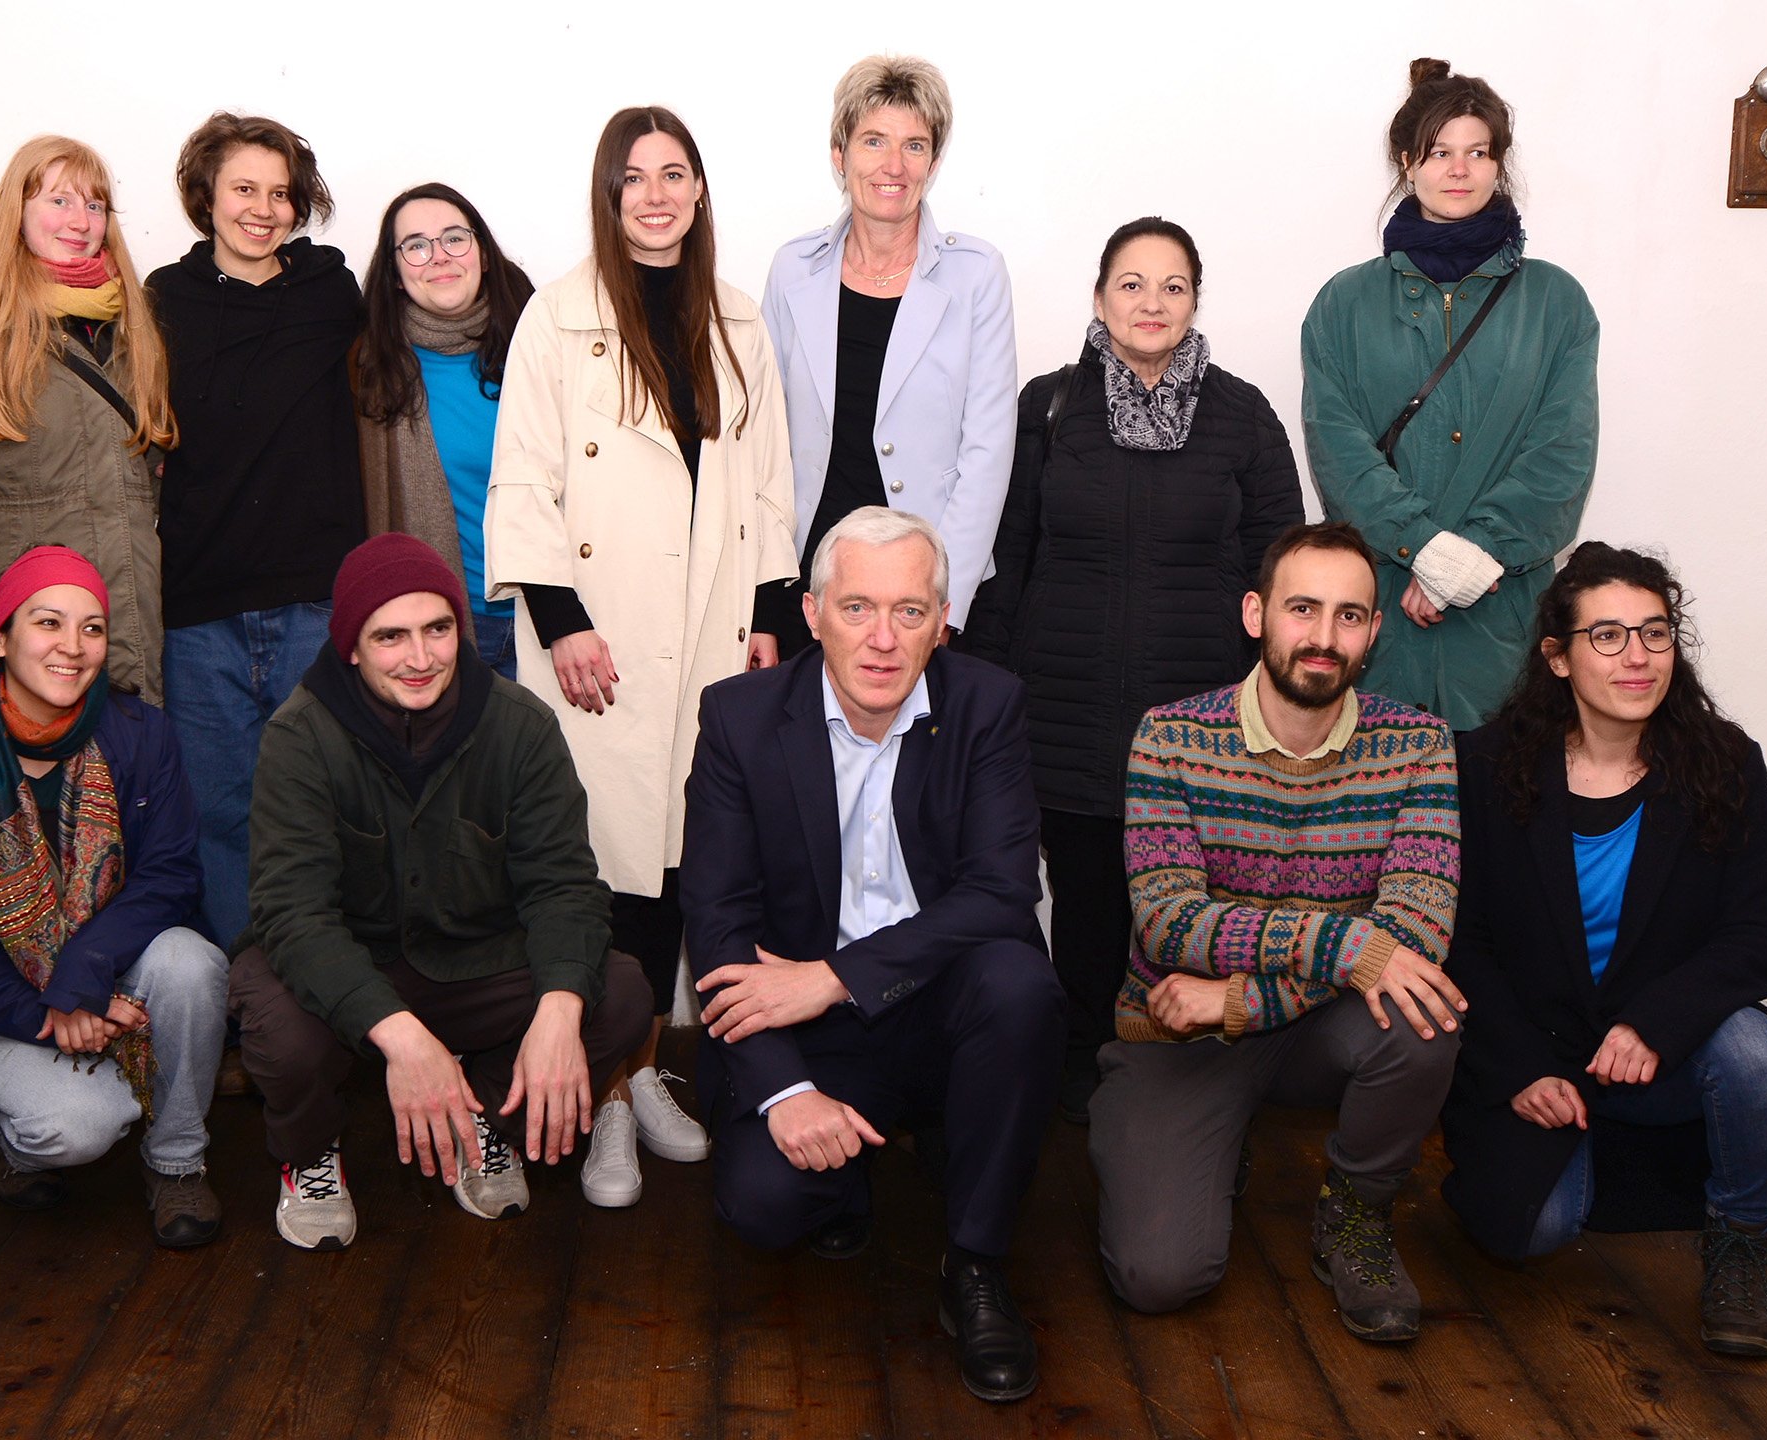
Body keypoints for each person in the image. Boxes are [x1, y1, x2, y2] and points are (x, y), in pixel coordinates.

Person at [681, 508, 1061, 1404]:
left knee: (1020, 984)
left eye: (909, 612)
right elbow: (719, 923)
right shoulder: (738, 718)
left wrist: (835, 977)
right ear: (812, 614)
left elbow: (1002, 892)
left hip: (934, 1004)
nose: (883, 639)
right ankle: (844, 1176)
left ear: (942, 623)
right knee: (764, 1207)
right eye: (856, 608)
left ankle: (975, 1264)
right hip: (804, 1031)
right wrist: (786, 1090)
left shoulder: (987, 705)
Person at [487, 105, 798, 1166]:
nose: (655, 195)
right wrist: (561, 624)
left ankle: (648, 1068)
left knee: (678, 861)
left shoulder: (739, 321)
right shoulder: (557, 318)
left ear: (700, 191)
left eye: (674, 174)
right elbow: (523, 481)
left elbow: (770, 484)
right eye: (634, 177)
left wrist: (768, 620)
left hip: (712, 628)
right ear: (607, 193)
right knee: (603, 861)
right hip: (598, 638)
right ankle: (605, 1094)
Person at [1440, 543, 1767, 1357]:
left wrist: (1656, 1021)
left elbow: (1761, 930)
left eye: (1655, 633)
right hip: (1542, 1054)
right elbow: (1461, 941)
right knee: (1538, 1232)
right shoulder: (1483, 766)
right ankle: (1587, 1154)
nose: (1638, 657)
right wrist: (1519, 1068)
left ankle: (1739, 1240)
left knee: (1761, 1059)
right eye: (1609, 636)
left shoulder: (1725, 762)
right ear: (1558, 657)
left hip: (1662, 1052)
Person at [960, 216, 1305, 1120]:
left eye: (1172, 286)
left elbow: (1281, 574)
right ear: (1100, 296)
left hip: (1200, 728)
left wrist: (1270, 709)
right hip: (1063, 717)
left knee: (1187, 909)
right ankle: (1079, 1082)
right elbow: (1004, 558)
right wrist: (982, 696)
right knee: (1082, 907)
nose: (1152, 303)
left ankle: (1185, 1090)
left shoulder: (1243, 415)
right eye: (1132, 283)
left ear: (1195, 301)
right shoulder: (1047, 408)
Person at [1091, 521, 1462, 1345]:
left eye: (1349, 616)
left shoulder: (1420, 745)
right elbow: (1169, 922)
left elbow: (1415, 931)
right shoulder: (1170, 736)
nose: (1324, 637)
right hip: (1181, 1034)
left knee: (1423, 1013)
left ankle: (1356, 1211)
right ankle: (1217, 1149)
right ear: (1256, 614)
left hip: (1291, 1022)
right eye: (1303, 609)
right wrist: (1349, 946)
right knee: (1158, 1276)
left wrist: (1242, 1000)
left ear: (1373, 630)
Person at [232, 534, 655, 1248]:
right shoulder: (300, 734)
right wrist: (401, 1036)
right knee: (278, 1022)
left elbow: (563, 886)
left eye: (437, 629)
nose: (421, 657)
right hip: (352, 965)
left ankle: (482, 1120)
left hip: (476, 965)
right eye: (390, 636)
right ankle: (309, 1152)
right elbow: (292, 913)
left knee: (616, 994)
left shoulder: (521, 725)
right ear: (352, 646)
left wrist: (558, 1013)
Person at [0, 547, 228, 1247]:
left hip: (112, 968)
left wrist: (84, 973)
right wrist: (48, 1012)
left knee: (192, 965)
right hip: (2, 1001)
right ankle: (22, 1147)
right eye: (48, 622)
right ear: (0, 639)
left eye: (92, 628)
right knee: (77, 1127)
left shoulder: (142, 735)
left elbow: (170, 875)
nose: (73, 646)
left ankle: (176, 1162)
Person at [1301, 58, 1600, 728]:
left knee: (1503, 788)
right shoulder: (1343, 303)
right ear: (1408, 163)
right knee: (1374, 792)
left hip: (1502, 620)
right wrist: (1426, 550)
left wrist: (1472, 559)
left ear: (1499, 164)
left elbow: (1562, 458)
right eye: (1439, 152)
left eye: (1478, 152)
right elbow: (1337, 449)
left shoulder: (1556, 304)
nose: (1458, 170)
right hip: (1378, 619)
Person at [145, 113, 365, 948]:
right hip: (198, 612)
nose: (263, 210)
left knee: (323, 811)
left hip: (314, 602)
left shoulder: (330, 294)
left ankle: (321, 994)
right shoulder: (162, 301)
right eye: (244, 189)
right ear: (206, 196)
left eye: (280, 194)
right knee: (219, 820)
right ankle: (243, 997)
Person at [757, 54, 1015, 650]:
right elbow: (762, 445)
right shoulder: (792, 269)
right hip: (808, 582)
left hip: (920, 589)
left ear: (933, 162)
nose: (893, 165)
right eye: (873, 141)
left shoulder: (977, 276)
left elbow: (987, 454)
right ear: (839, 154)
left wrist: (941, 607)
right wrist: (765, 598)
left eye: (914, 145)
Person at [0, 136, 176, 702]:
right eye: (59, 200)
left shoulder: (135, 329)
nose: (80, 221)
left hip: (133, 635)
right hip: (29, 651)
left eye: (95, 205)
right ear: (17, 210)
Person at [354, 183, 536, 682]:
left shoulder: (542, 347)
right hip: (439, 629)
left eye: (454, 238)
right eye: (416, 245)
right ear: (394, 274)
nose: (438, 256)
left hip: (553, 618)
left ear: (483, 253)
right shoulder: (368, 370)